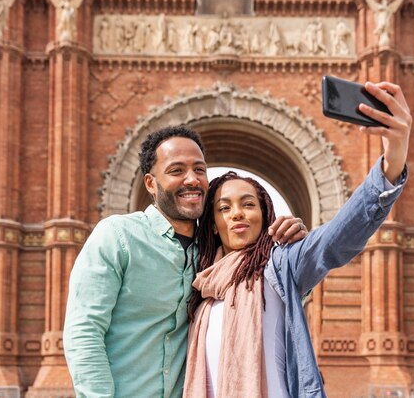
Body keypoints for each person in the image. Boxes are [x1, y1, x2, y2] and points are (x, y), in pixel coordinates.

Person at [183, 80, 411, 398]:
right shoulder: (196, 284)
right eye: (224, 208)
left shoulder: (282, 264)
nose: (236, 213)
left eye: (248, 204)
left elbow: (337, 238)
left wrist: (392, 163)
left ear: (264, 215)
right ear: (212, 224)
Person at [63, 126, 307, 398]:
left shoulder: (213, 258)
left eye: (199, 170)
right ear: (151, 184)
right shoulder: (118, 237)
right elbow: (84, 332)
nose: (192, 180)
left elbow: (268, 280)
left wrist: (294, 250)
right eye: (176, 170)